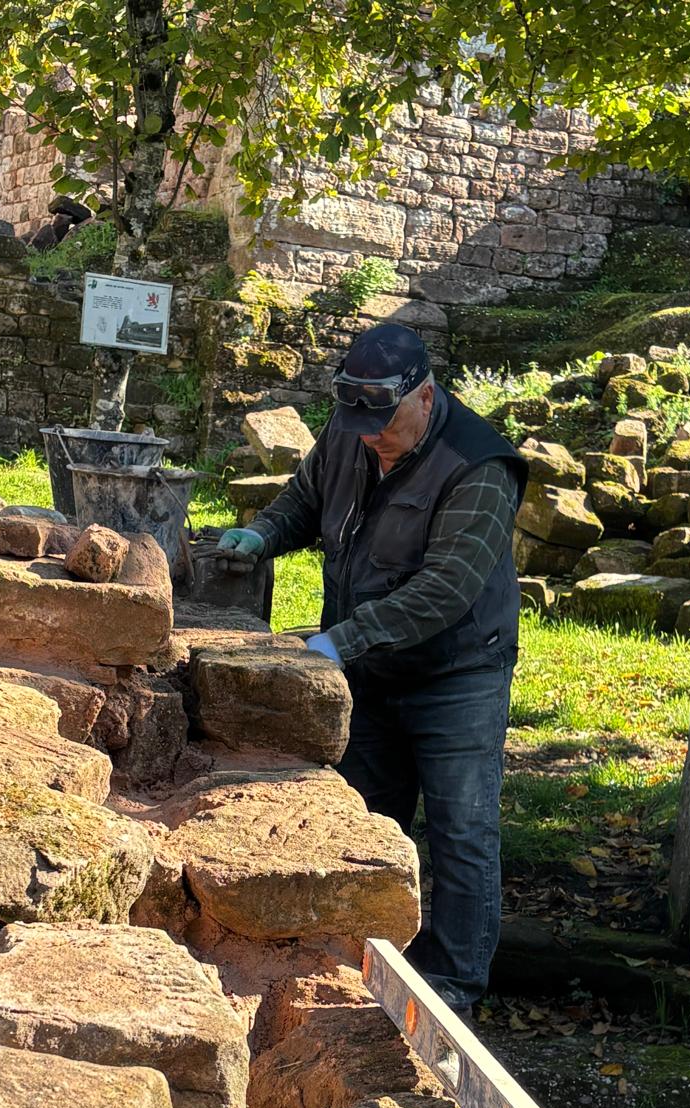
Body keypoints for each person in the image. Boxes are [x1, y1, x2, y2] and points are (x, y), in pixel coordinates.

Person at [215, 323, 526, 1015]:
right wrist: (261, 533)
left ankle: (451, 988)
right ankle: (360, 959)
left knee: (462, 831)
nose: (370, 438)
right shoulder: (352, 429)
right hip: (369, 669)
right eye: (358, 424)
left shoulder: (479, 465)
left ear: (425, 396)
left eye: (383, 424)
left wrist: (340, 642)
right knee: (363, 817)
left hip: (457, 674)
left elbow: (445, 589)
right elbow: (305, 500)